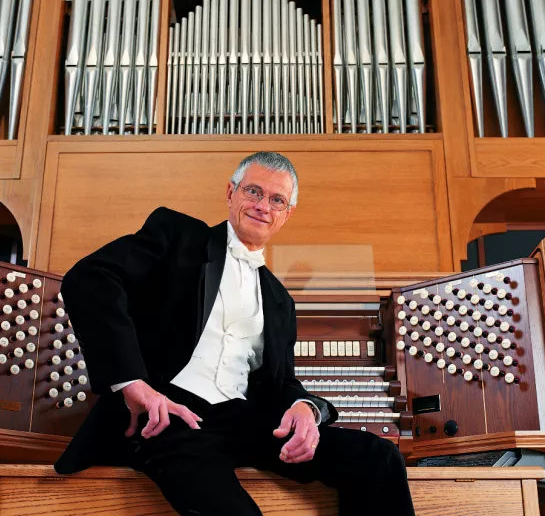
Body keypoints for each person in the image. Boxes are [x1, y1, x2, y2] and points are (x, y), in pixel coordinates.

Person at [55, 151, 415, 516]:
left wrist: (305, 408)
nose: (263, 206)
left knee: (379, 457)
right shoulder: (178, 234)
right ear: (231, 193)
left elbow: (282, 383)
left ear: (286, 214)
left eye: (276, 200)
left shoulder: (279, 300)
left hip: (242, 420)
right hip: (170, 418)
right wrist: (133, 385)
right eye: (253, 192)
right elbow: (90, 278)